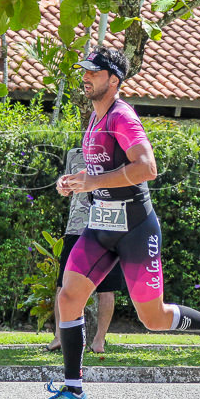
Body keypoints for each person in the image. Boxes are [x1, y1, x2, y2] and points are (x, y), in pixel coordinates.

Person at [30, 46, 200, 399]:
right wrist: (75, 183)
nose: (85, 77)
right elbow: (99, 176)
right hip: (100, 224)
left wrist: (92, 180)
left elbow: (147, 168)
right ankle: (73, 390)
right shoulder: (94, 117)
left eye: (93, 72)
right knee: (68, 297)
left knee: (154, 318)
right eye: (84, 71)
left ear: (113, 80)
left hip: (135, 229)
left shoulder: (122, 117)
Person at [47, 147, 123, 354]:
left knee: (106, 289)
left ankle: (99, 340)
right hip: (76, 227)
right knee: (63, 285)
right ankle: (59, 336)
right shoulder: (74, 154)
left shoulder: (117, 153)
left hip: (108, 226)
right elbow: (67, 186)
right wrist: (62, 185)